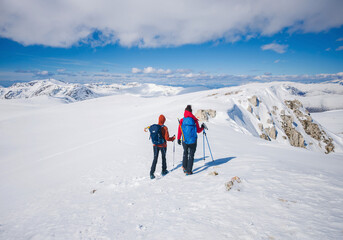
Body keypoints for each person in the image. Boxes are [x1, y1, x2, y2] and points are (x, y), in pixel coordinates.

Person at [177, 105, 204, 175]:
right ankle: (189, 171)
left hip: (184, 140)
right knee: (191, 155)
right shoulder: (194, 120)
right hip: (193, 140)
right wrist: (202, 128)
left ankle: (184, 167)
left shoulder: (182, 120)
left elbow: (180, 130)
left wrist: (178, 138)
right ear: (191, 112)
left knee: (185, 152)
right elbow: (198, 130)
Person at [150, 114, 175, 179]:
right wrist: (172, 138)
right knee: (163, 157)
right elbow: (167, 138)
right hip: (163, 145)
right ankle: (164, 170)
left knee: (155, 159)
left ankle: (151, 173)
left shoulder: (155, 127)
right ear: (163, 120)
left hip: (155, 145)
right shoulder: (165, 128)